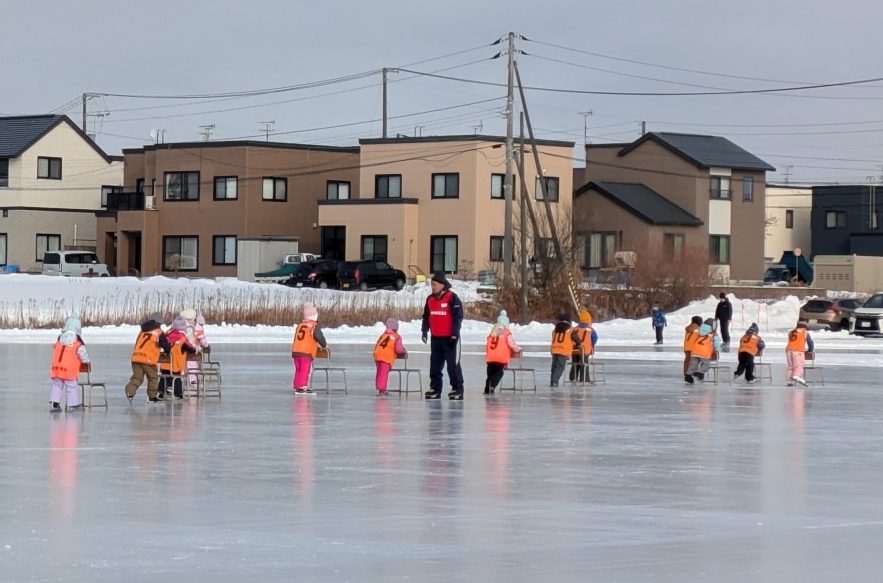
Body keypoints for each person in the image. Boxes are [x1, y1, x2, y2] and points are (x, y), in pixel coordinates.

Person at [421, 272, 465, 400]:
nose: (433, 287)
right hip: (436, 338)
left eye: (434, 285)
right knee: (435, 365)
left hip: (450, 339)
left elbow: (458, 317)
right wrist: (424, 331)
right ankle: (435, 388)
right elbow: (426, 317)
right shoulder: (430, 299)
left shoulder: (452, 298)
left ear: (442, 285)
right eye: (432, 285)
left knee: (453, 365)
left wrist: (454, 334)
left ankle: (457, 389)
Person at [125, 312, 171, 403]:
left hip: (136, 357)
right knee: (153, 378)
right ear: (159, 323)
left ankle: (129, 391)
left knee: (137, 377)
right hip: (148, 360)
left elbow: (137, 344)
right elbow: (166, 345)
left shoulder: (142, 331)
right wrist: (167, 351)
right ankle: (152, 396)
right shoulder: (159, 332)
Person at [49, 314, 91, 411]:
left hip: (57, 368)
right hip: (69, 370)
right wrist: (87, 361)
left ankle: (54, 405)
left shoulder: (59, 340)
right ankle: (72, 405)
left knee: (57, 385)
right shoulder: (77, 343)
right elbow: (83, 356)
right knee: (71, 386)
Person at [158, 315, 197, 399]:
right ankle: (178, 393)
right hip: (176, 365)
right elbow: (191, 349)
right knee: (177, 378)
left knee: (164, 376)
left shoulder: (167, 337)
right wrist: (196, 350)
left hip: (165, 365)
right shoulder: (183, 339)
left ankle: (161, 391)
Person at [292, 303, 327, 394]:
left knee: (298, 369)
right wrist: (324, 345)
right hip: (306, 352)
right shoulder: (313, 326)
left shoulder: (300, 325)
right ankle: (302, 387)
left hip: (296, 351)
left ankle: (297, 386)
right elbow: (319, 337)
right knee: (305, 370)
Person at [484, 310, 521, 394]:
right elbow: (511, 344)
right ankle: (492, 386)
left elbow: (487, 344)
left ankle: (487, 389)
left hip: (490, 358)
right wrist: (517, 349)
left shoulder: (492, 332)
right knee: (499, 373)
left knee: (490, 375)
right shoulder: (506, 333)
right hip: (500, 358)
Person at [373, 317, 407, 396]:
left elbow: (377, 344)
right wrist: (403, 350)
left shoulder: (383, 335)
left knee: (379, 372)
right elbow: (398, 349)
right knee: (384, 373)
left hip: (377, 354)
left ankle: (380, 388)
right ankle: (382, 389)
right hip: (386, 357)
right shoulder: (397, 337)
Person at [685, 318, 722, 384]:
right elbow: (717, 343)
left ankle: (688, 375)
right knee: (706, 364)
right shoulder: (713, 333)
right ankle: (700, 372)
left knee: (693, 364)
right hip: (704, 351)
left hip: (695, 350)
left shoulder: (699, 330)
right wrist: (717, 349)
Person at [550, 312, 580, 387]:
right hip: (563, 350)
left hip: (554, 349)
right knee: (560, 367)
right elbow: (576, 339)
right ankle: (554, 381)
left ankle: (552, 381)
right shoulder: (571, 329)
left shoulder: (555, 329)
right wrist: (577, 343)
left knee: (554, 366)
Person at [569, 309, 598, 383]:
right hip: (584, 350)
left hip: (574, 350)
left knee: (575, 364)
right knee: (584, 364)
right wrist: (591, 344)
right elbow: (595, 338)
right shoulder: (590, 330)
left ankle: (572, 378)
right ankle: (584, 379)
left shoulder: (575, 328)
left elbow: (570, 337)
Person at [786, 321, 814, 387]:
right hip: (798, 351)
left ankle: (789, 381)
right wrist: (810, 350)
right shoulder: (805, 332)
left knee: (791, 366)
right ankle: (796, 375)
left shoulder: (791, 332)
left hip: (789, 351)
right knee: (799, 365)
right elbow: (810, 343)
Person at [683, 316, 703, 381]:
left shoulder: (689, 328)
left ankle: (686, 373)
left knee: (687, 360)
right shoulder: (697, 329)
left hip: (687, 347)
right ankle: (695, 373)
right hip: (694, 347)